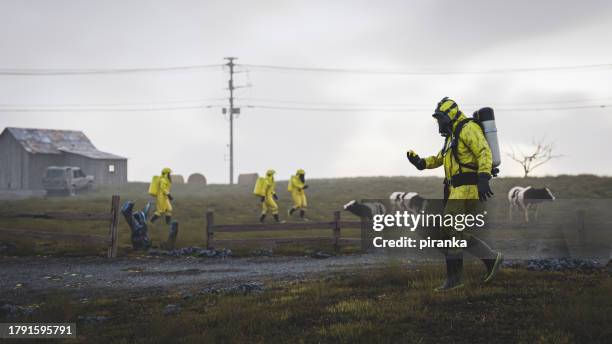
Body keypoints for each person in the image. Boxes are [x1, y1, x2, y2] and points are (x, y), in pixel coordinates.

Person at [406, 97, 503, 291]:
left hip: (467, 189)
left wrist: (483, 178)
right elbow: (441, 158)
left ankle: (455, 280)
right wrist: (421, 163)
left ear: (449, 115)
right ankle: (491, 259)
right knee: (449, 232)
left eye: (440, 118)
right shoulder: (452, 136)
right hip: (456, 190)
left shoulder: (467, 128)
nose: (438, 122)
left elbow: (484, 152)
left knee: (450, 231)